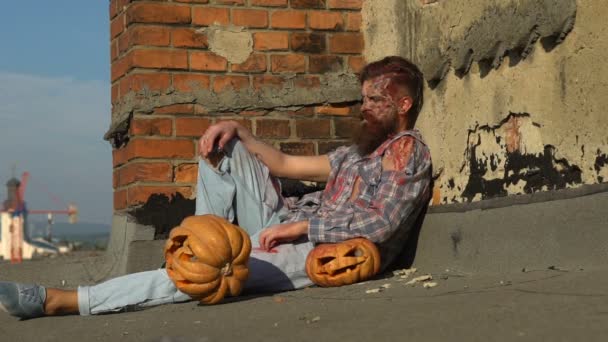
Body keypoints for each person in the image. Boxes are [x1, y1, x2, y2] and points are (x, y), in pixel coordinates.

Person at [0, 56, 432, 319]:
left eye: (374, 101)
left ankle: (66, 300)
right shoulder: (357, 153)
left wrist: (301, 230)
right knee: (221, 150)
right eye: (363, 99)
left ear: (403, 105)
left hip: (324, 252)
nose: (364, 108)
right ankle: (206, 236)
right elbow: (282, 163)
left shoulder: (407, 151)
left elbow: (382, 223)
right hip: (285, 225)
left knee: (199, 271)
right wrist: (237, 129)